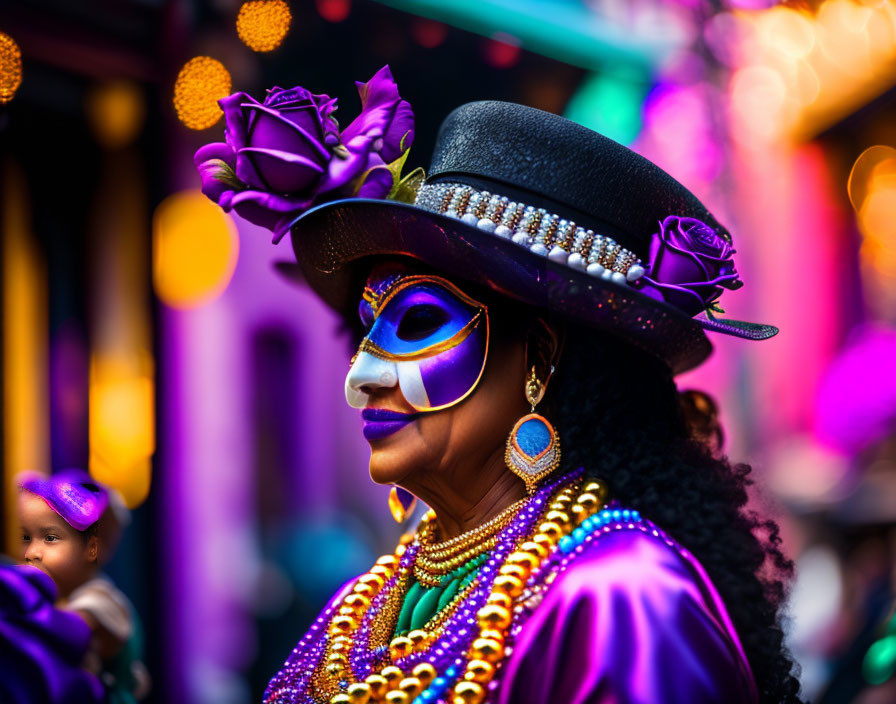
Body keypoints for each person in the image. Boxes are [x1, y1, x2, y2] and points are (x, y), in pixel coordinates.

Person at [195, 67, 802, 703]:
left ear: (537, 355)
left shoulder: (619, 593)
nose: (361, 377)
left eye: (419, 323)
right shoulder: (367, 603)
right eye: (369, 333)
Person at [17, 469, 149, 703]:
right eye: (26, 537)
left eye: (50, 538)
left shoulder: (100, 599)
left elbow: (63, 632)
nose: (31, 553)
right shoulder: (66, 599)